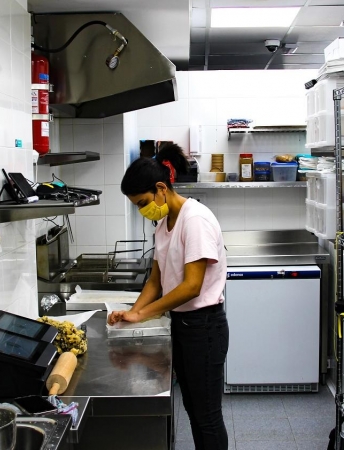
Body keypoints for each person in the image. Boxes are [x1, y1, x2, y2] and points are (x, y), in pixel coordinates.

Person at [108, 143, 230, 450]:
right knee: (194, 408)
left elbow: (192, 286)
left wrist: (142, 315)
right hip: (184, 325)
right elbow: (155, 281)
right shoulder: (163, 224)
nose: (141, 210)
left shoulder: (195, 220)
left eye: (141, 202)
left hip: (204, 327)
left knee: (207, 417)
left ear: (161, 188)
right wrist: (131, 313)